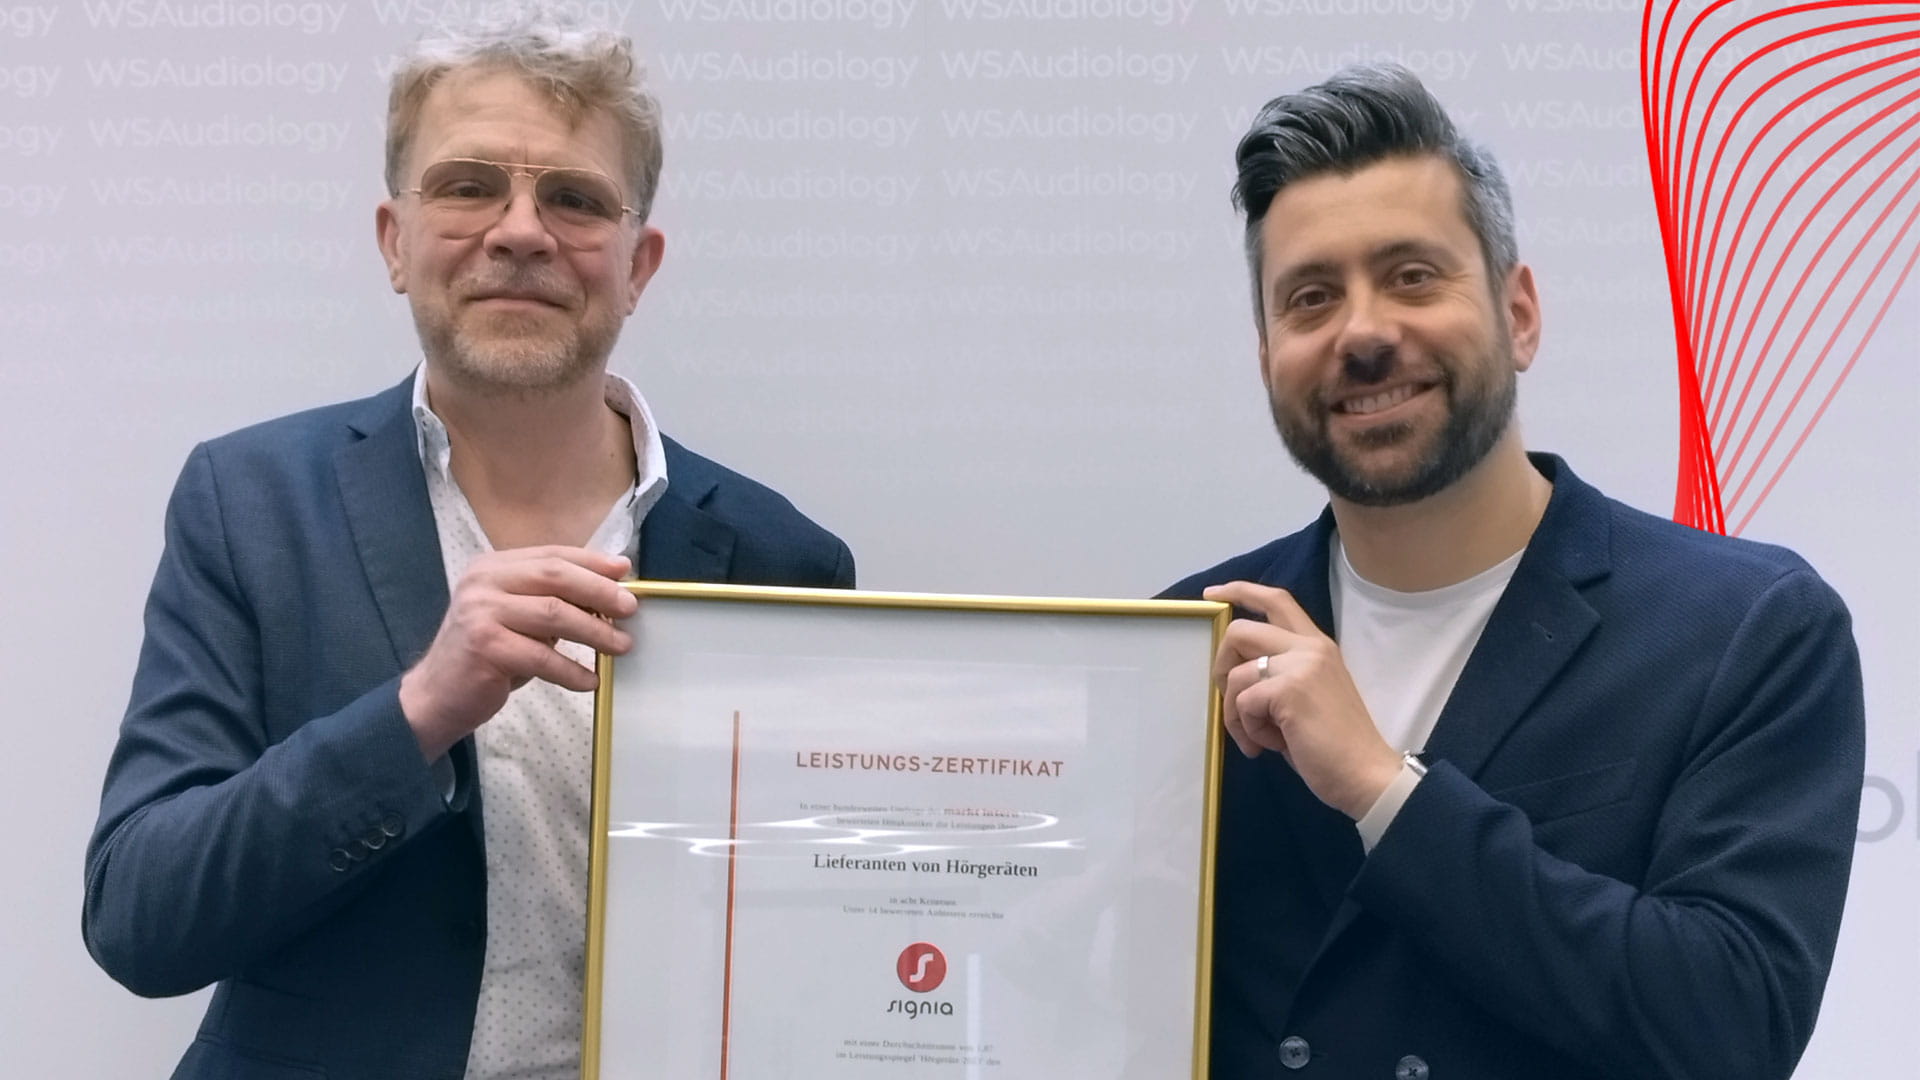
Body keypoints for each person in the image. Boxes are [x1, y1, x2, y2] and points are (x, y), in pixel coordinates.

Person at [82, 6, 852, 1077]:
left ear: (639, 265)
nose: (521, 231)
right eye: (467, 185)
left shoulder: (784, 560)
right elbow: (139, 915)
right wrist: (416, 714)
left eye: (574, 198)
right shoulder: (249, 503)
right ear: (395, 242)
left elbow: (818, 929)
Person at [1162, 65, 1863, 1080]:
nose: (1363, 332)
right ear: (1269, 353)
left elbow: (1733, 1026)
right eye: (1310, 299)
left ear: (1519, 312)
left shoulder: (1746, 630)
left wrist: (1382, 789)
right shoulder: (1192, 638)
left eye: (1413, 276)